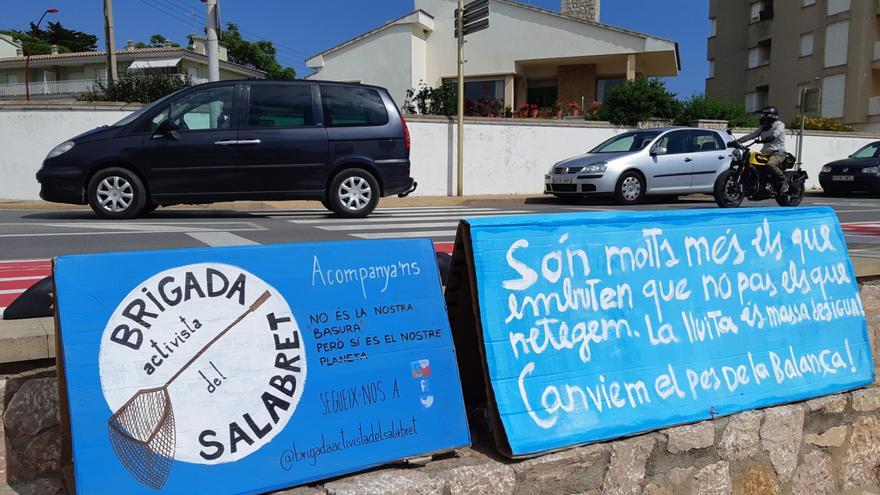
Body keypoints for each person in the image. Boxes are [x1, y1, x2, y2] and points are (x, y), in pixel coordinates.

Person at [737, 106, 788, 193]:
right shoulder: (763, 128)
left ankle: (783, 180)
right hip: (765, 153)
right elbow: (751, 136)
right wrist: (736, 141)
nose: (761, 117)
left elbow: (777, 133)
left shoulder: (779, 125)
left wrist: (771, 137)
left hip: (778, 153)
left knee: (770, 164)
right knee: (751, 163)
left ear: (771, 116)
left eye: (763, 115)